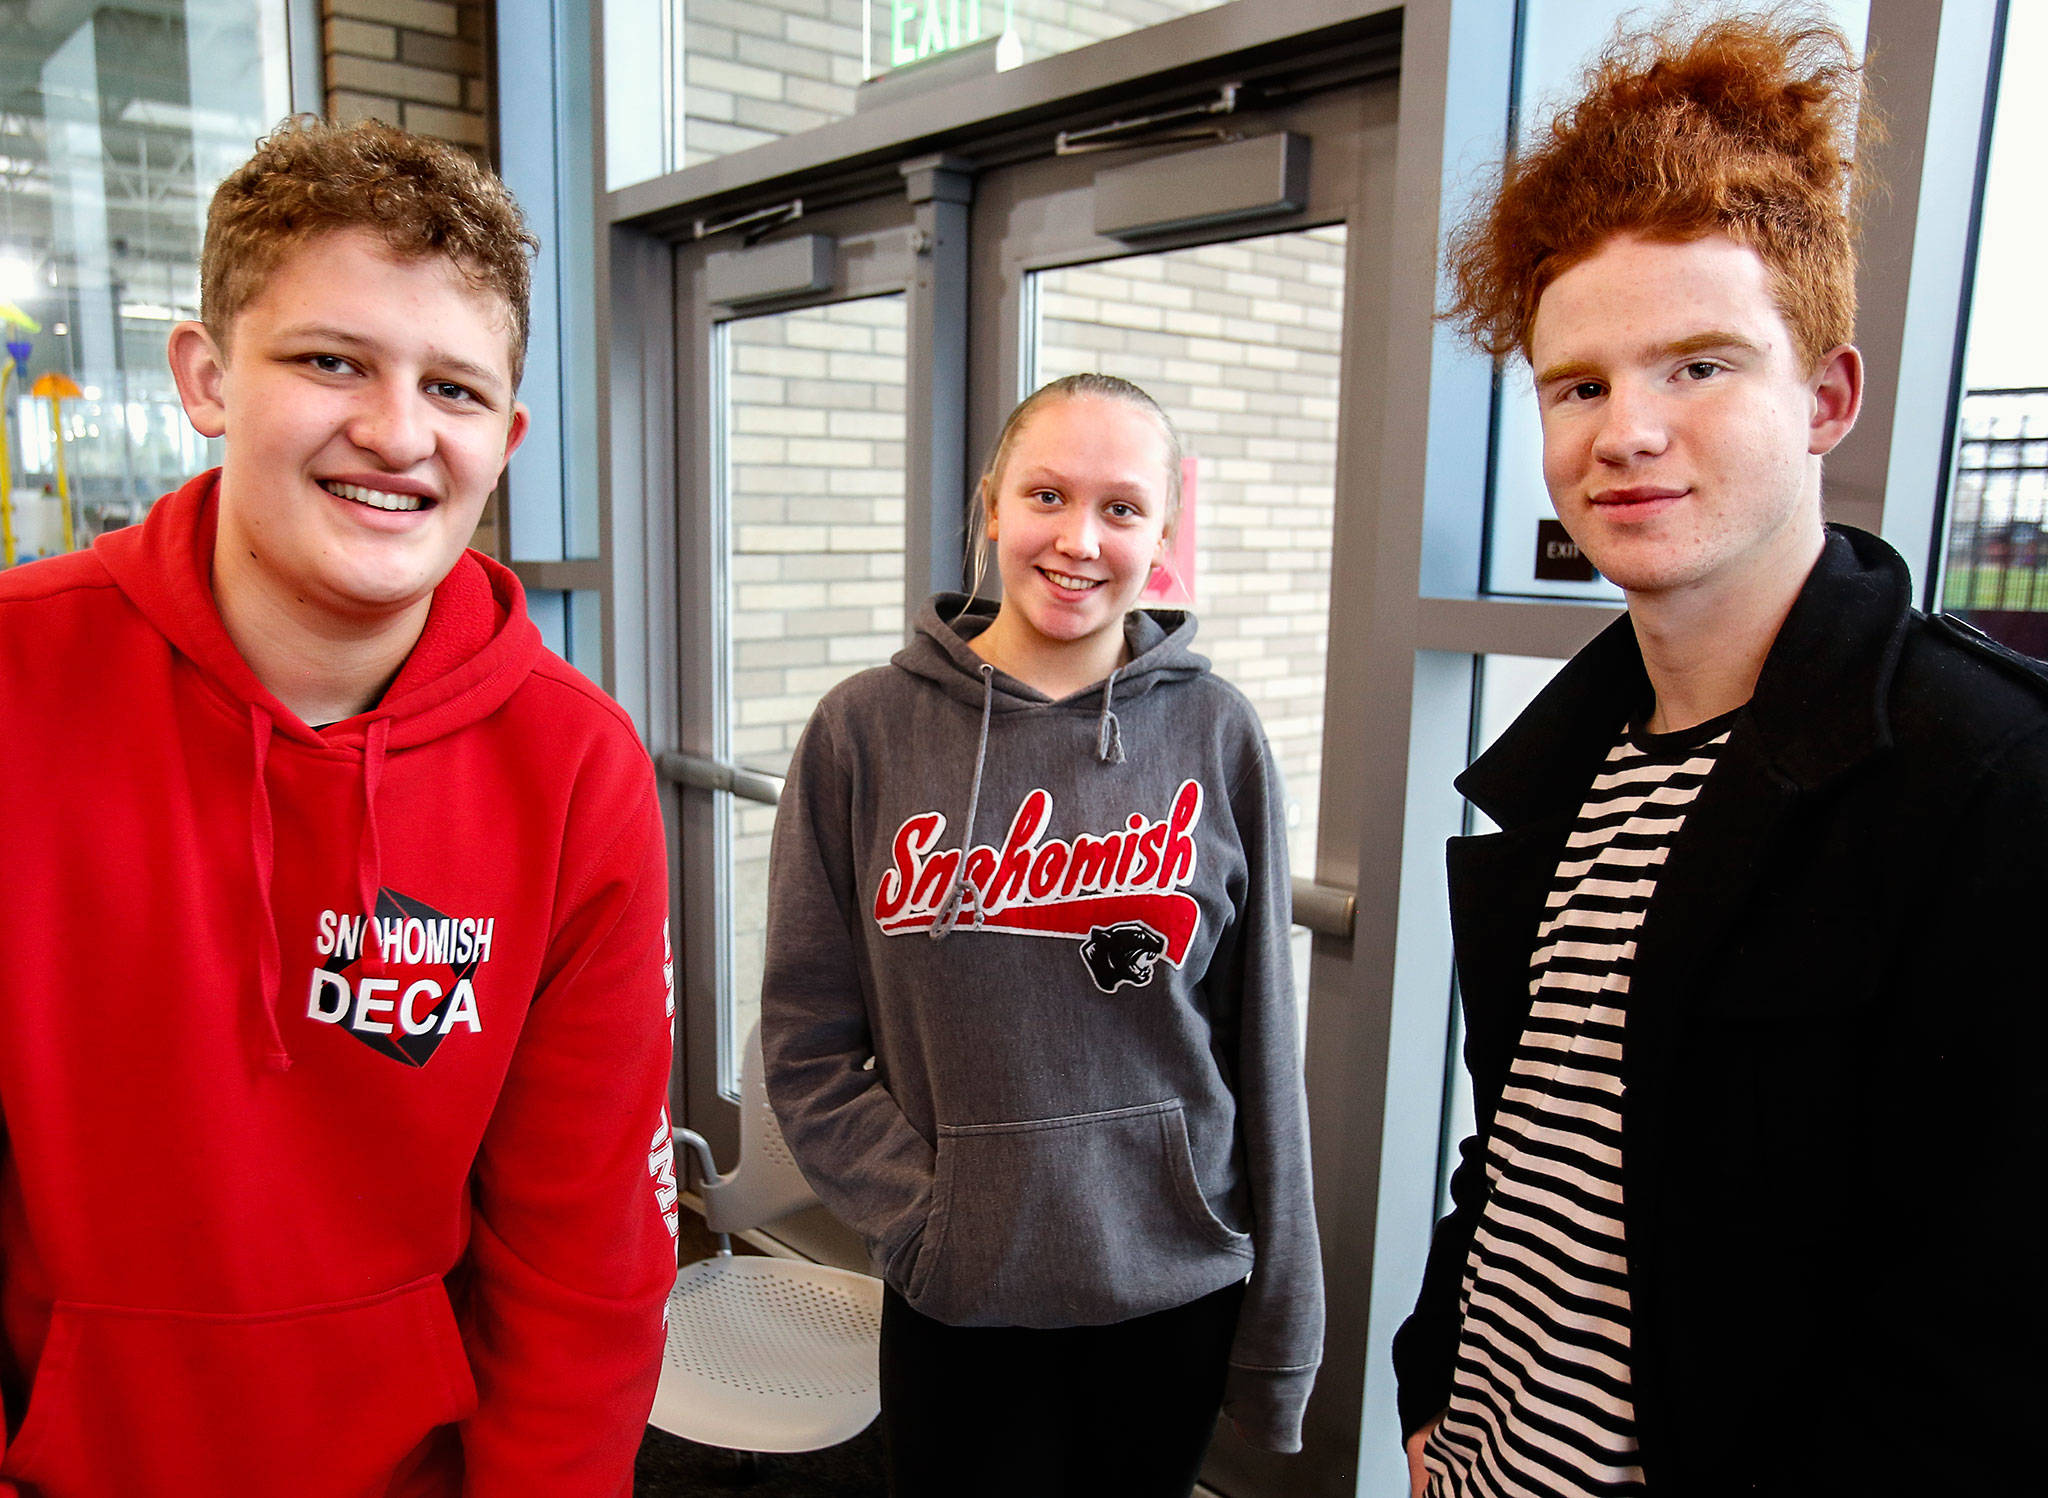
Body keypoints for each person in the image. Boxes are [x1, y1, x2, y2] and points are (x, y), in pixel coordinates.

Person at [1394, 9, 2047, 1496]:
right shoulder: (1566, 763)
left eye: (1699, 366)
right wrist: (1436, 1380)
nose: (1627, 431)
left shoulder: (1986, 785)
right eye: (1580, 383)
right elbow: (1528, 1148)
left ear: (1826, 398)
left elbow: (1986, 1360)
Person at [0, 119, 679, 1497]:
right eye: (331, 360)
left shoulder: (575, 767)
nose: (395, 431)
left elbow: (583, 1266)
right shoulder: (19, 678)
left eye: (455, 388)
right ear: (205, 376)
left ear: (508, 438)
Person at [760, 373, 1323, 1496]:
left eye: (1121, 508)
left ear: (1162, 533)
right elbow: (805, 1045)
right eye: (1047, 495)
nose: (1078, 539)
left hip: (1172, 1284)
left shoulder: (1215, 733)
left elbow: (1258, 1048)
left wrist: (1281, 1329)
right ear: (988, 507)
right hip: (959, 1290)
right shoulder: (861, 732)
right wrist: (930, 1218)